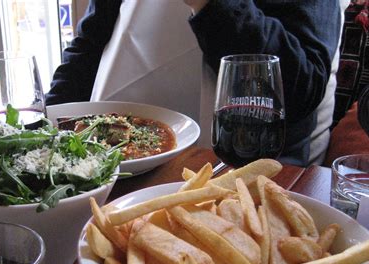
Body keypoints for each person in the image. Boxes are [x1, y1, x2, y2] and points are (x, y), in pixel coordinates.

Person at [46, 0, 348, 167]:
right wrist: (46, 122)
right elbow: (86, 49)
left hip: (246, 173)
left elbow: (300, 87)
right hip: (112, 165)